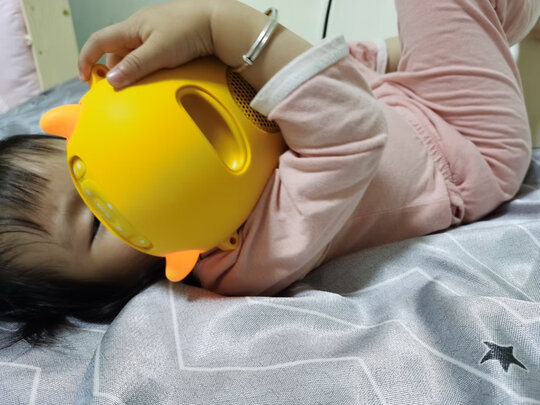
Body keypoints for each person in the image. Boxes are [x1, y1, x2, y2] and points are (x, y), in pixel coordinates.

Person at [0, 0, 538, 344]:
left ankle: (508, 25)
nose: (113, 174)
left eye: (79, 159)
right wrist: (228, 27)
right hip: (467, 151)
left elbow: (294, 102)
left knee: (430, 34)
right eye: (97, 220)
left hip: (395, 98)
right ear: (100, 297)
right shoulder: (244, 261)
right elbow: (349, 135)